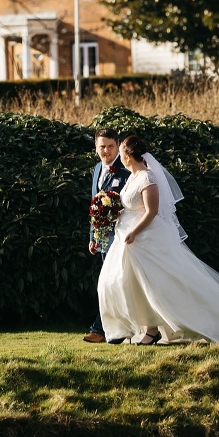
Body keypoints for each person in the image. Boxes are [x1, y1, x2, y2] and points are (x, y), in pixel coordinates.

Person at [97, 136, 219, 346]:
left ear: (128, 155)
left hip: (144, 239)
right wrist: (114, 213)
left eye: (121, 152)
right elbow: (132, 207)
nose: (119, 157)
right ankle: (149, 329)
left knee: (161, 285)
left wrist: (134, 232)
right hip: (127, 240)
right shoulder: (132, 177)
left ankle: (216, 324)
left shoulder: (148, 178)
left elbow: (151, 212)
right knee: (127, 284)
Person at [83, 127, 129, 344]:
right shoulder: (96, 169)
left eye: (111, 146)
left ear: (118, 146)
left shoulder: (127, 170)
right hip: (102, 238)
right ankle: (115, 329)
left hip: (122, 237)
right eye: (102, 146)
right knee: (110, 283)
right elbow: (95, 206)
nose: (106, 151)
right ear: (96, 147)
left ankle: (99, 330)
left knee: (110, 283)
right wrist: (93, 237)